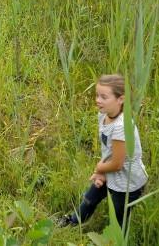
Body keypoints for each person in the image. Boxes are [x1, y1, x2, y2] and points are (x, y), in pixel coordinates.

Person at [58, 74, 148, 229]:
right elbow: (108, 150)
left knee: (119, 218)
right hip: (110, 171)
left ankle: (116, 239)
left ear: (121, 99)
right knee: (89, 198)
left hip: (127, 183)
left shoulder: (121, 126)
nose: (98, 100)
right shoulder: (103, 115)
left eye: (104, 97)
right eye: (97, 95)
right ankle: (73, 223)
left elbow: (118, 164)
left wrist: (100, 168)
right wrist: (102, 174)